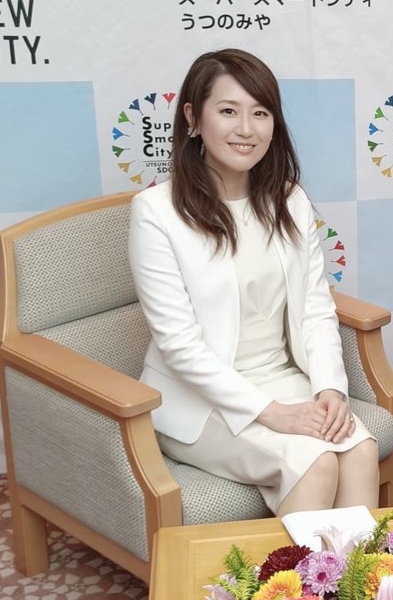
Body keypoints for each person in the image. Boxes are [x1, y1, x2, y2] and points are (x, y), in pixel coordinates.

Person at [128, 48, 379, 516]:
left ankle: (354, 570)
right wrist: (273, 413)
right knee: (316, 462)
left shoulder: (289, 201)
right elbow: (179, 345)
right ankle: (293, 570)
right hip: (197, 401)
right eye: (228, 111)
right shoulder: (157, 212)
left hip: (285, 379)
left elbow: (315, 309)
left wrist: (330, 389)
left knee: (360, 451)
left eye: (260, 113)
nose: (246, 129)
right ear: (193, 118)